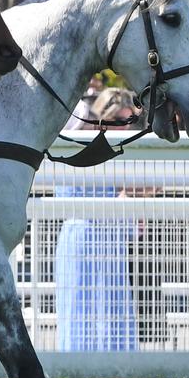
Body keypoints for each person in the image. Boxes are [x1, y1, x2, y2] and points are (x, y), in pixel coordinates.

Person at [53, 87, 141, 351]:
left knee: (115, 300)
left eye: (126, 122)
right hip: (82, 235)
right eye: (117, 121)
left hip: (110, 236)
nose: (122, 129)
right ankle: (78, 364)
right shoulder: (79, 142)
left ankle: (117, 365)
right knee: (80, 300)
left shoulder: (121, 151)